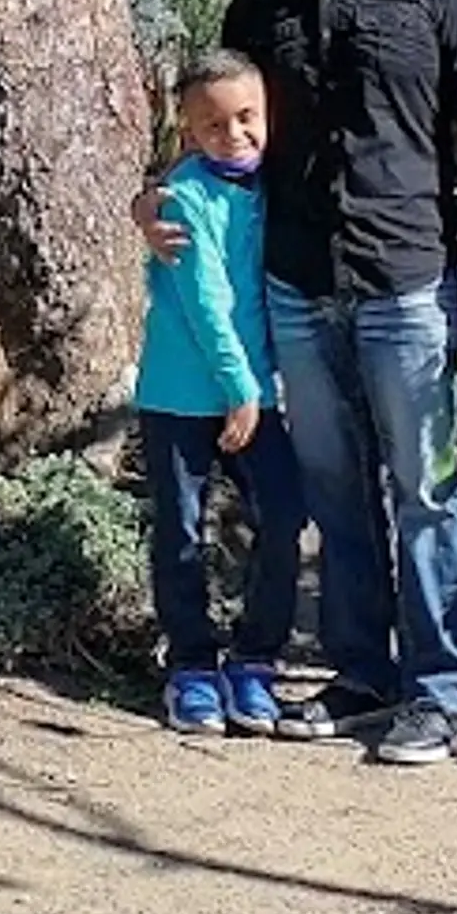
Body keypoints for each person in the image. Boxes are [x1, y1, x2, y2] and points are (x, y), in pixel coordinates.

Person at [212, 0, 457, 763]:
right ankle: (362, 676)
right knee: (335, 492)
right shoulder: (257, 7)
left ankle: (440, 692)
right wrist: (162, 200)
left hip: (410, 284)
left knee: (428, 489)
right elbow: (223, 133)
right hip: (299, 285)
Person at [129, 51, 316, 740]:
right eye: (212, 124)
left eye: (246, 117)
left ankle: (255, 657)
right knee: (182, 530)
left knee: (284, 514)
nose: (233, 133)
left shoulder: (274, 186)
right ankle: (192, 666)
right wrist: (243, 391)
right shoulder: (182, 199)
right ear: (187, 130)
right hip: (184, 395)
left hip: (254, 391)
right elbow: (205, 302)